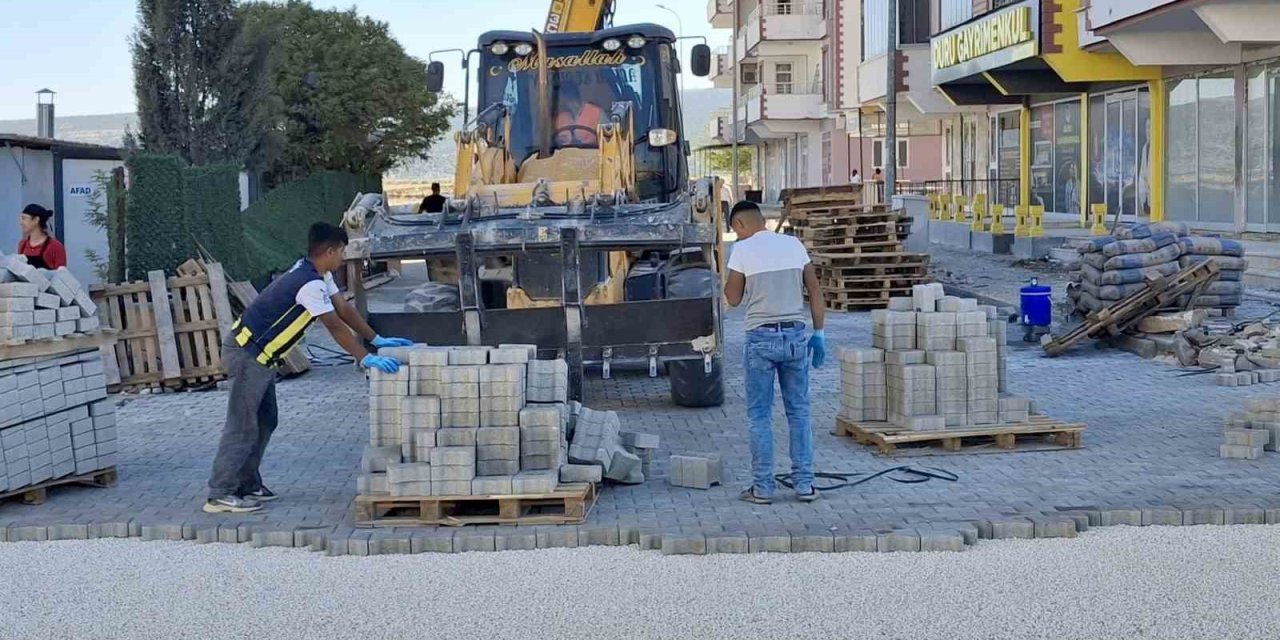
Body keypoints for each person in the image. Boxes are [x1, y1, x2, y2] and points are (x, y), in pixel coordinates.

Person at [204, 222, 413, 513]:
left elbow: (344, 309)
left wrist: (375, 338)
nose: (343, 257)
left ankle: (247, 483)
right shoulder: (309, 284)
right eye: (342, 251)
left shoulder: (316, 273)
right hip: (247, 354)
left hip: (264, 360)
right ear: (329, 250)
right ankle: (220, 493)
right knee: (243, 425)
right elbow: (334, 326)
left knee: (265, 421)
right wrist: (363, 357)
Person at [724, 201, 825, 505]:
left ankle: (763, 488)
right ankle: (805, 485)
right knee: (799, 412)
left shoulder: (742, 250)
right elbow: (816, 292)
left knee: (759, 416)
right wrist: (819, 333)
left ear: (740, 225)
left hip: (761, 339)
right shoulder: (793, 244)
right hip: (795, 336)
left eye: (735, 230)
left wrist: (730, 272)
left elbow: (733, 297)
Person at [17, 204, 67, 270]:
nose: (21, 223)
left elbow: (62, 275)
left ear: (36, 220)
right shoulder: (22, 245)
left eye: (24, 218)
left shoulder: (55, 246)